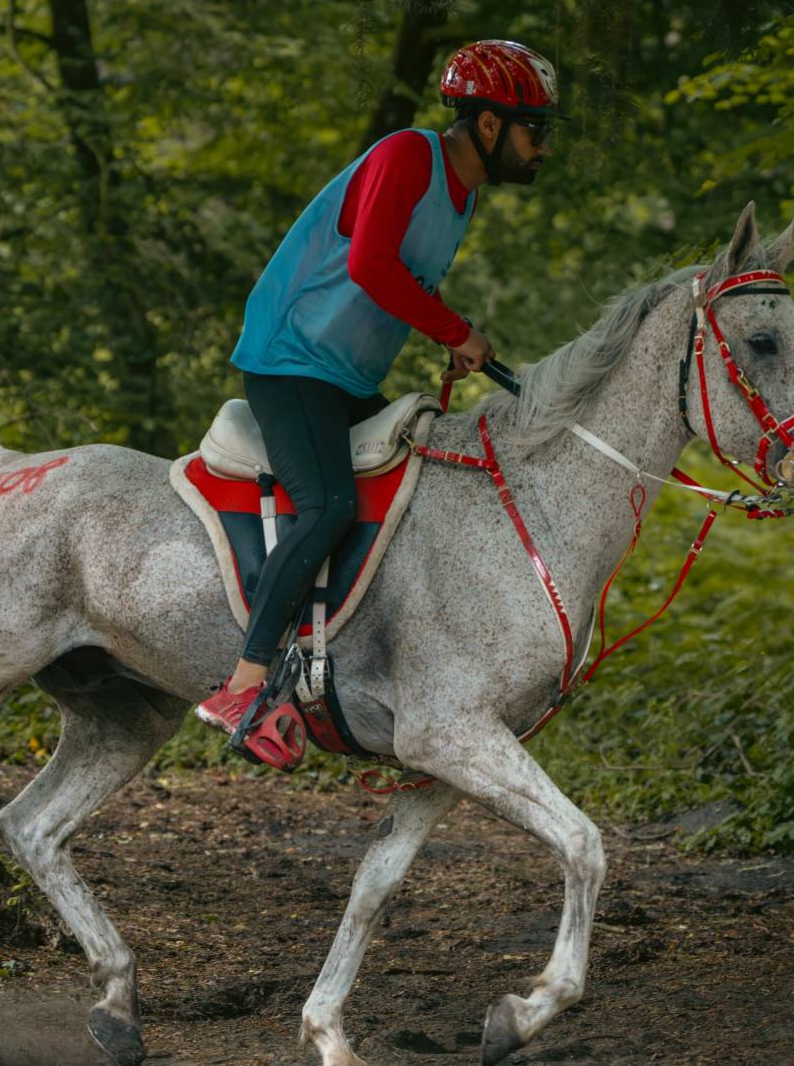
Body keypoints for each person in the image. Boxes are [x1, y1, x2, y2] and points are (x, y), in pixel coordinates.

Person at [196, 39, 563, 758]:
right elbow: (367, 263)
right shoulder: (406, 156)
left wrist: (445, 330)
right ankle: (242, 685)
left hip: (346, 379)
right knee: (329, 503)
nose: (541, 147)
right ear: (487, 125)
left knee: (414, 487)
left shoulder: (464, 197)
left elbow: (400, 280)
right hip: (292, 361)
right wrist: (455, 329)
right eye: (534, 129)